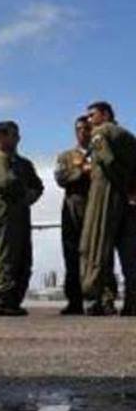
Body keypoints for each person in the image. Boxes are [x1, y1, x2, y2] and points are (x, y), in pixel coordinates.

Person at [0, 121, 43, 316]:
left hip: (15, 215)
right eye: (14, 135)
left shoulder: (20, 162)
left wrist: (28, 197)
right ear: (2, 136)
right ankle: (0, 300)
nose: (18, 138)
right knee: (3, 259)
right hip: (5, 215)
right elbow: (6, 182)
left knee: (18, 258)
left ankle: (7, 300)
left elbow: (38, 186)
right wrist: (24, 195)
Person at [55, 116, 117, 314]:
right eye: (79, 129)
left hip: (98, 207)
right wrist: (81, 171)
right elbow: (60, 177)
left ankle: (105, 300)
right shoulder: (66, 156)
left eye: (87, 128)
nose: (83, 132)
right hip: (74, 209)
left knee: (102, 255)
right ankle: (75, 301)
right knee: (72, 256)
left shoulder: (102, 152)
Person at [79, 101, 136, 317]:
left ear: (105, 114)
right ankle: (132, 301)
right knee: (129, 253)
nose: (89, 120)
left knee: (94, 245)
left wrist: (119, 185)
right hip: (128, 200)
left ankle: (94, 300)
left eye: (92, 115)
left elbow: (108, 161)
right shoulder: (128, 136)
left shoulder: (100, 133)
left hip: (106, 193)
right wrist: (130, 190)